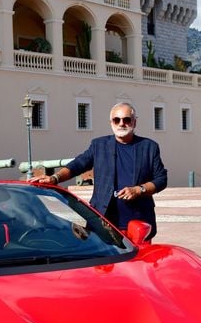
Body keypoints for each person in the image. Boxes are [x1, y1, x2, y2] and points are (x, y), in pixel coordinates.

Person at [33, 102, 167, 238]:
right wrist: (54, 178)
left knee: (139, 259)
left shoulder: (149, 147)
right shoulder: (99, 145)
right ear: (111, 123)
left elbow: (161, 179)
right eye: (117, 120)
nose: (122, 123)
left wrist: (139, 190)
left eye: (127, 119)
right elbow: (78, 164)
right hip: (105, 224)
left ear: (134, 122)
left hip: (139, 225)